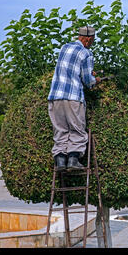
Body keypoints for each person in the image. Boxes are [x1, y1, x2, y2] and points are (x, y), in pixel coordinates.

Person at [47, 26, 101, 171]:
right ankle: (73, 161)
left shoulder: (65, 47)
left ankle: (60, 162)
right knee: (77, 129)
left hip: (55, 96)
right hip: (73, 97)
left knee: (60, 130)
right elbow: (88, 81)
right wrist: (96, 79)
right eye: (93, 40)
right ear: (88, 39)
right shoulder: (86, 53)